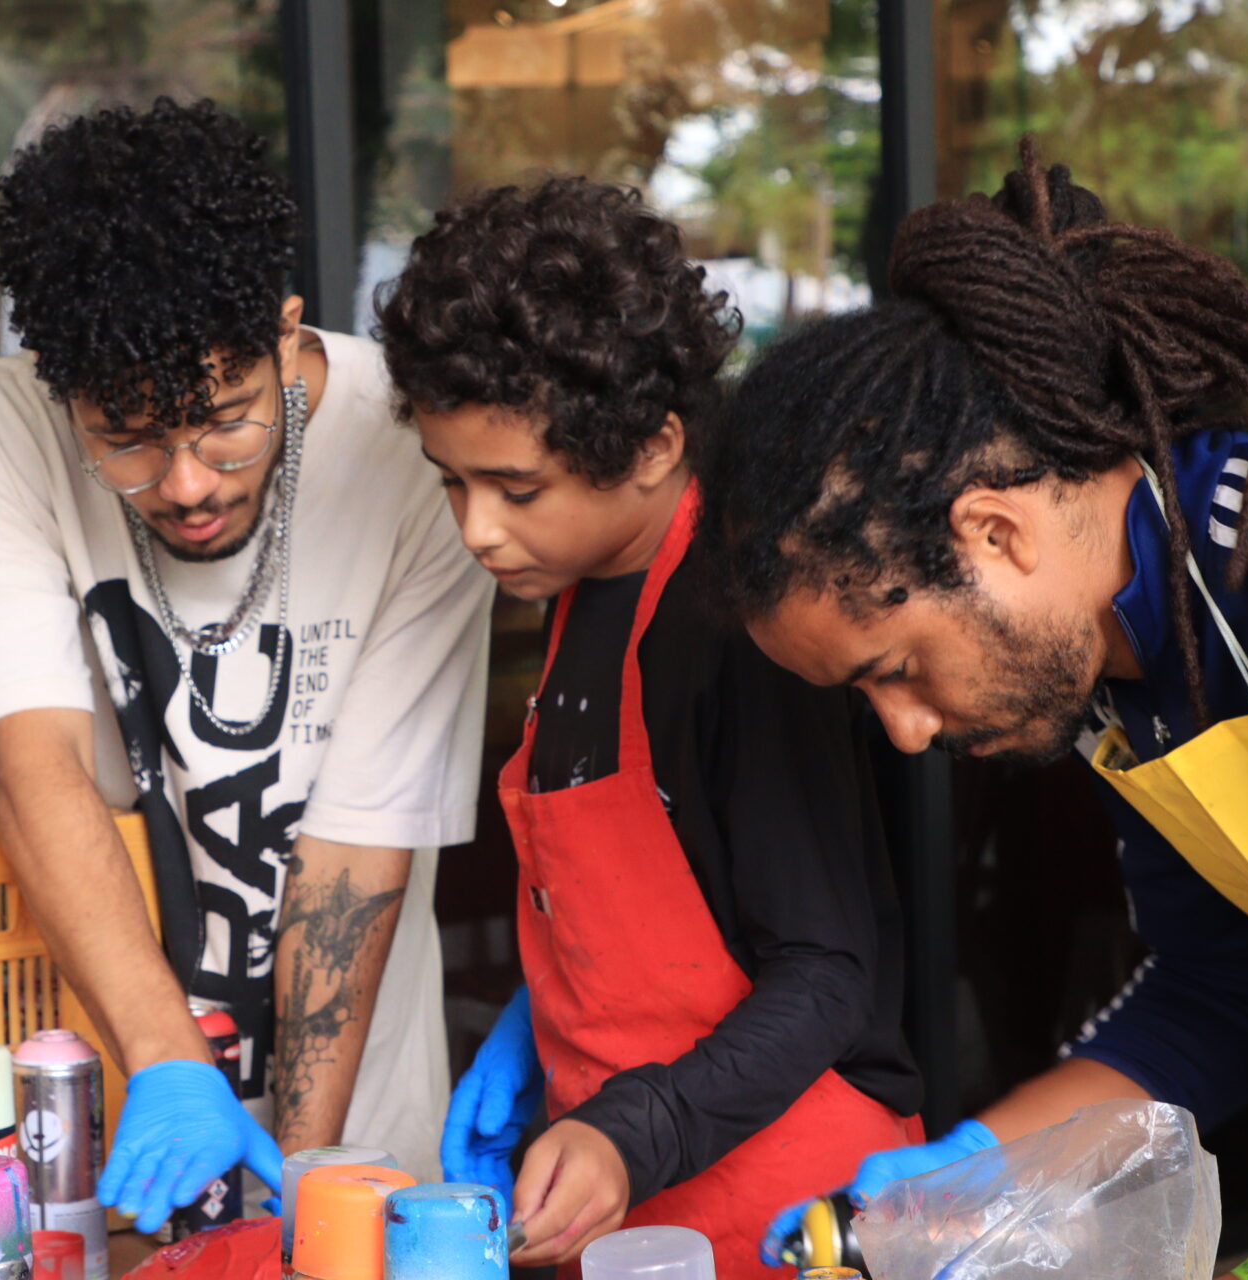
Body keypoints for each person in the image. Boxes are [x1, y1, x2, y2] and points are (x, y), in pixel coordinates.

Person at [702, 144, 1248, 1278]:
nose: (907, 729)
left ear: (995, 533)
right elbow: (1226, 989)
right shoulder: (1124, 665)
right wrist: (965, 1178)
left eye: (894, 667)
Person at [0, 98, 493, 1229]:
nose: (185, 482)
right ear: (56, 383)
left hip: (357, 1136)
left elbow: (358, 850)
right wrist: (167, 1064)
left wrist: (297, 1195)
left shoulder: (413, 448)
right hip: (116, 1118)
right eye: (125, 436)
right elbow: (29, 765)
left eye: (226, 418)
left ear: (285, 337)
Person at [374, 176, 922, 1273]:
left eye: (516, 489)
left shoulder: (742, 623)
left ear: (656, 445)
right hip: (630, 1210)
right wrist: (535, 1027)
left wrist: (637, 1124)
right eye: (452, 483)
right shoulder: (579, 587)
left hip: (789, 1207)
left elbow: (824, 972)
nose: (478, 529)